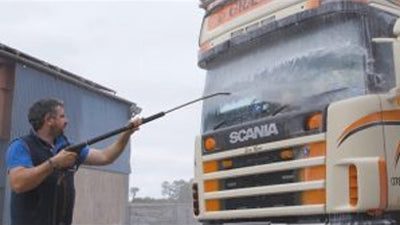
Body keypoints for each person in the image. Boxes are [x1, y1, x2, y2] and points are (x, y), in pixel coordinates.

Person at [6, 98, 142, 225]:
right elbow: (18, 183)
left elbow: (105, 157)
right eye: (62, 116)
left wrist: (126, 135)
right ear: (49, 120)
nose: (67, 121)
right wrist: (53, 163)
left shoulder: (69, 147)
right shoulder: (21, 146)